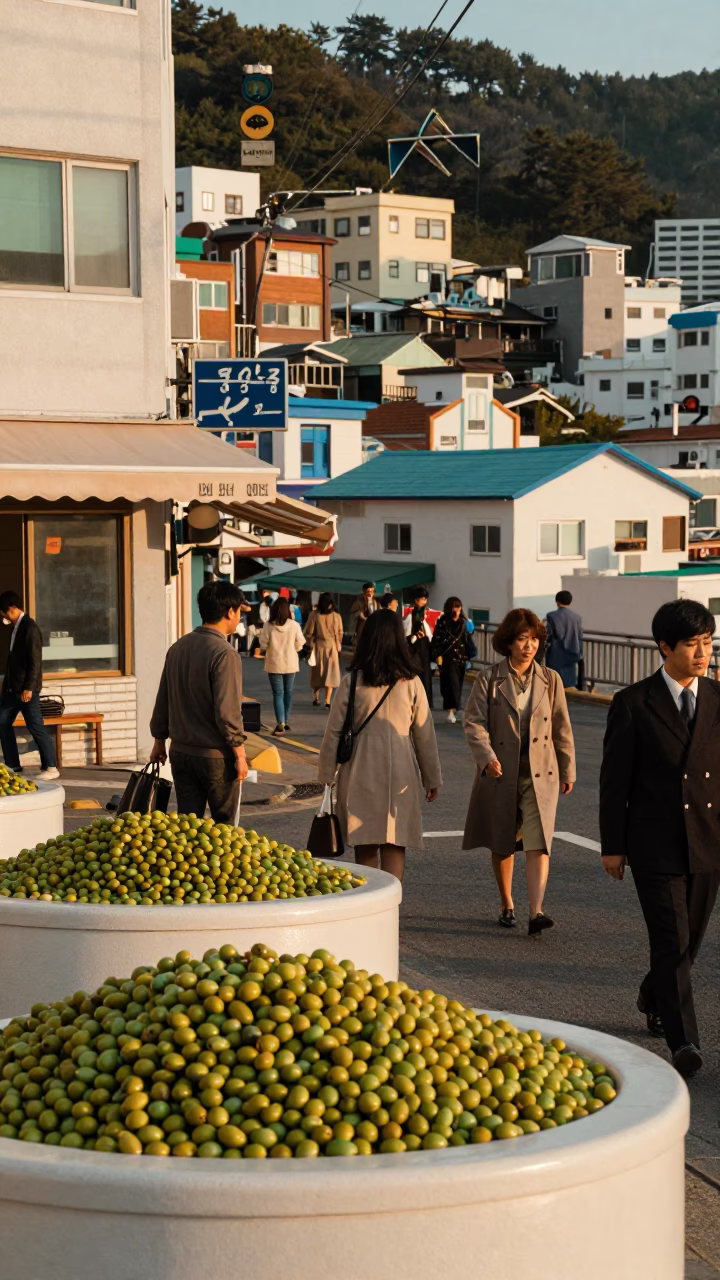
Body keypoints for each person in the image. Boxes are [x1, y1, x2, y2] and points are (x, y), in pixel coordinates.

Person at [599, 598, 720, 1079]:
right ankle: (684, 1039)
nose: (702, 652)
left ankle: (653, 995)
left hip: (709, 841)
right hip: (655, 843)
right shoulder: (633, 703)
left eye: (707, 642)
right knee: (671, 942)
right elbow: (615, 782)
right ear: (665, 647)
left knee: (687, 945)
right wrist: (613, 844)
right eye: (692, 644)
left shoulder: (716, 697)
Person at [462, 608, 575, 934]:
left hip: (541, 774)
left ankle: (536, 912)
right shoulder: (489, 679)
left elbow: (561, 727)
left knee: (539, 843)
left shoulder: (550, 678)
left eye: (535, 639)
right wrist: (486, 757)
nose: (529, 646)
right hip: (501, 774)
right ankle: (507, 903)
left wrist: (568, 769)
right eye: (522, 639)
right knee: (503, 842)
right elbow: (474, 723)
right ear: (508, 642)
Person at [318, 609, 442, 880]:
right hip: (400, 768)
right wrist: (431, 778)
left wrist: (326, 777)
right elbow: (424, 734)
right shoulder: (411, 682)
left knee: (365, 843)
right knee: (394, 842)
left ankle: (369, 908)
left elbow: (333, 733)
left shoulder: (352, 682)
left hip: (360, 767)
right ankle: (390, 910)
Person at [150, 581, 249, 823]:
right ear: (229, 612)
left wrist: (158, 742)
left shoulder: (177, 648)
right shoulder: (225, 653)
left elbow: (163, 698)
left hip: (181, 752)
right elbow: (228, 712)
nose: (240, 619)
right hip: (215, 756)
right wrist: (240, 753)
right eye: (239, 612)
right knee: (224, 832)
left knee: (189, 828)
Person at [0, 591, 59, 780]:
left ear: (13, 609)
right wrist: (5, 682)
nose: (4, 618)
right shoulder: (16, 628)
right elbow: (12, 660)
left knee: (36, 727)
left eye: (5, 614)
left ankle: (51, 767)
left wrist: (29, 688)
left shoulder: (30, 628)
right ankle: (13, 765)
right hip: (11, 689)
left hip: (26, 689)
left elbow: (35, 662)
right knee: (2, 723)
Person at [258, 597, 305, 735]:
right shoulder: (294, 625)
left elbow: (263, 644)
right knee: (288, 693)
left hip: (274, 664)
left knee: (278, 693)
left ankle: (281, 722)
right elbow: (300, 643)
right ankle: (286, 720)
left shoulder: (268, 626)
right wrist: (293, 648)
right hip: (290, 663)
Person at [431, 596, 474, 724]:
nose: (457, 609)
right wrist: (437, 655)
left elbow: (469, 637)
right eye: (454, 607)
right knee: (451, 684)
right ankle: (451, 710)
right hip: (447, 657)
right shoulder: (443, 622)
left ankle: (454, 709)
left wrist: (469, 624)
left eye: (458, 607)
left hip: (461, 657)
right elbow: (436, 639)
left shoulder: (463, 622)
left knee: (458, 683)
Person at [304, 592, 344, 708]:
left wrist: (311, 642)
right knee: (329, 674)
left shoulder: (314, 615)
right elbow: (340, 632)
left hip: (319, 647)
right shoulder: (337, 616)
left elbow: (308, 632)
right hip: (332, 648)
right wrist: (338, 643)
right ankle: (327, 701)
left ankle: (317, 698)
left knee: (318, 674)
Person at [545, 591, 583, 689]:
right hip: (572, 652)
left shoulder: (551, 615)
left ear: (557, 602)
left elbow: (549, 634)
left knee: (553, 683)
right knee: (568, 683)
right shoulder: (577, 617)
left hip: (556, 654)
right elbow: (579, 637)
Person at [403, 586, 434, 707]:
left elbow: (431, 635)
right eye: (420, 599)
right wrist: (415, 636)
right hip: (414, 650)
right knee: (415, 677)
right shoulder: (410, 616)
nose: (422, 602)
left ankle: (426, 703)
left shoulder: (428, 614)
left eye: (424, 599)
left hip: (425, 649)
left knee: (426, 678)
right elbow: (406, 635)